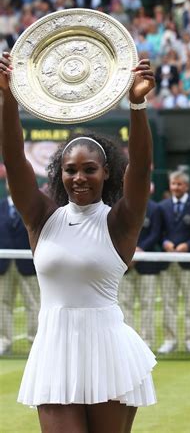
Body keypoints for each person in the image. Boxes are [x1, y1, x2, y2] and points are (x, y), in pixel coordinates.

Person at [1, 51, 156, 431]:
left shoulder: (120, 221)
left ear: (107, 174)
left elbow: (141, 166)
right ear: (59, 173)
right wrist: (8, 99)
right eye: (70, 170)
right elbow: (14, 157)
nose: (79, 178)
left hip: (108, 350)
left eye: (90, 169)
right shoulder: (41, 216)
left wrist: (137, 104)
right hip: (54, 350)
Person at [156, 170, 190, 354]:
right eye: (173, 184)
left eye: (179, 184)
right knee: (169, 302)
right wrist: (165, 243)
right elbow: (159, 233)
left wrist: (188, 245)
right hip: (168, 262)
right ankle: (170, 339)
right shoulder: (162, 206)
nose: (176, 187)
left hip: (188, 261)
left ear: (186, 186)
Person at [0, 180, 40, 355]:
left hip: (28, 265)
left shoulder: (32, 207)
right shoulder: (0, 207)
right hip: (4, 265)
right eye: (9, 181)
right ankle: (4, 342)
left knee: (33, 305)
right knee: (3, 304)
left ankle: (34, 343)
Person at [119, 197, 161, 351]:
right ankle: (126, 343)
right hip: (124, 265)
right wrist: (129, 252)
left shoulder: (155, 209)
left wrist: (140, 250)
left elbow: (156, 233)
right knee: (125, 305)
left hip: (148, 266)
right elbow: (118, 232)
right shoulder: (120, 206)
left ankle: (147, 341)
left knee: (147, 304)